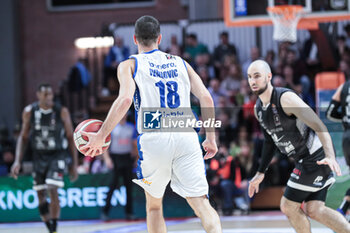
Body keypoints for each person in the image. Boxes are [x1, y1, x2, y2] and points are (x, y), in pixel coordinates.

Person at [79, 15, 222, 233]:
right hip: (186, 135)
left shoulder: (129, 64)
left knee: (154, 207)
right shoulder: (181, 63)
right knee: (202, 204)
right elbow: (207, 98)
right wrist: (210, 138)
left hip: (154, 137)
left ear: (135, 39)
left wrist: (101, 134)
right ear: (160, 38)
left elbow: (126, 100)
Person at [247, 60, 350, 233]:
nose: (253, 81)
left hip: (315, 159)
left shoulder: (286, 98)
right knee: (315, 210)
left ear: (269, 76)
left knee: (287, 206)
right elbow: (269, 141)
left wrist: (330, 156)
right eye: (250, 77)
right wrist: (260, 172)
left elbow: (319, 125)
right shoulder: (259, 109)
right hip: (303, 159)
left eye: (257, 76)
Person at [11, 84, 78, 233]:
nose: (49, 97)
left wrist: (74, 163)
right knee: (40, 195)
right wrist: (17, 160)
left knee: (52, 189)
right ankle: (49, 227)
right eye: (45, 94)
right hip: (38, 156)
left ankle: (54, 227)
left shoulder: (61, 111)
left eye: (50, 94)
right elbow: (23, 137)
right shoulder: (30, 111)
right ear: (38, 95)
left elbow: (70, 136)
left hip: (57, 154)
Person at [101, 114, 137, 220]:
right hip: (115, 158)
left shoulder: (131, 127)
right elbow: (105, 145)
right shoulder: (112, 128)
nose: (123, 116)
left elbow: (135, 144)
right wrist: (107, 159)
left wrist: (136, 158)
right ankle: (105, 212)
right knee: (112, 186)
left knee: (129, 187)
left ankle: (129, 213)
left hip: (127, 158)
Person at [326, 73, 350, 220]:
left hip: (347, 137)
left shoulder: (344, 86)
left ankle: (342, 211)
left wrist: (346, 119)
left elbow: (330, 112)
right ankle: (342, 210)